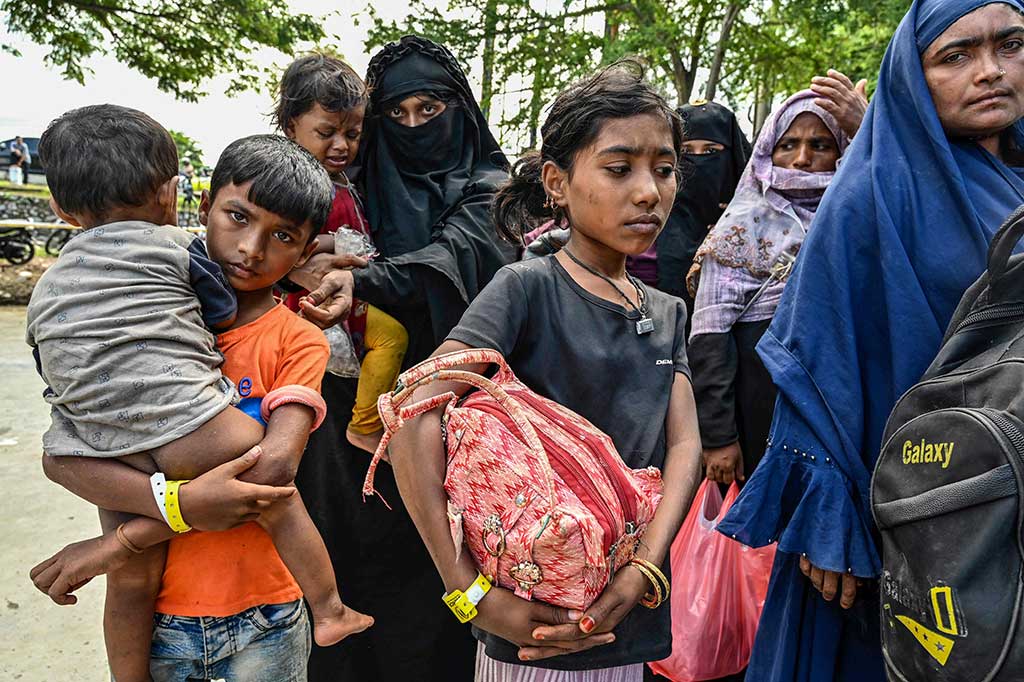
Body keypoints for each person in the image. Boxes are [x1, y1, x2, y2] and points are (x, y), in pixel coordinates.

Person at [715, 1, 1024, 680]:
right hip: (911, 504)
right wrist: (828, 519)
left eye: (1011, 46)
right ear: (913, 78)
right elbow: (815, 350)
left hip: (1012, 483)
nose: (990, 72)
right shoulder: (870, 196)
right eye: (957, 55)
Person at [387, 60, 703, 681]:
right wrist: (468, 592)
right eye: (619, 169)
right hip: (527, 619)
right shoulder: (526, 288)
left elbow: (684, 442)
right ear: (557, 183)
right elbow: (412, 414)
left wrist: (646, 567)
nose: (648, 191)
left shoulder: (667, 310)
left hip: (623, 612)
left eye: (664, 170)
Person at [27, 123, 372, 680]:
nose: (250, 249)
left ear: (307, 249)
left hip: (264, 613)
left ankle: (325, 609)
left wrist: (116, 543)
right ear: (199, 204)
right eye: (238, 217)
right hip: (161, 620)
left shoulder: (296, 338)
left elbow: (273, 470)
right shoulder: (158, 306)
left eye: (283, 237)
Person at [284, 35, 515, 681]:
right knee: (341, 561)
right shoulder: (353, 183)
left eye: (430, 110)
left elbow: (459, 256)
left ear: (460, 108)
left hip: (443, 415)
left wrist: (362, 279)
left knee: (434, 575)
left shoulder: (489, 186)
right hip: (341, 415)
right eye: (397, 114)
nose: (413, 127)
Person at [687, 91, 851, 488]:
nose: (801, 159)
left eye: (820, 145)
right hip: (759, 409)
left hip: (837, 406)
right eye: (788, 144)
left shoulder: (853, 217)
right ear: (765, 151)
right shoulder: (740, 227)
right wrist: (720, 436)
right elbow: (709, 336)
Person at [274, 52, 409, 455]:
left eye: (352, 134)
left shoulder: (349, 180)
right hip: (313, 304)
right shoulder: (290, 183)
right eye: (326, 132)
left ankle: (364, 420)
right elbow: (286, 238)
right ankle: (365, 425)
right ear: (291, 127)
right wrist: (337, 244)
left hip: (350, 297)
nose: (341, 145)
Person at [656, 101, 751, 305]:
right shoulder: (648, 223)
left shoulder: (755, 224)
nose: (698, 160)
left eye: (710, 151)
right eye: (687, 151)